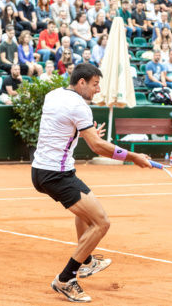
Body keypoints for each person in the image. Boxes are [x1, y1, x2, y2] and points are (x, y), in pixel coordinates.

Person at [32, 63, 151, 302]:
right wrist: (133, 156)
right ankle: (66, 279)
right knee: (101, 223)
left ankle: (85, 261)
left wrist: (85, 131)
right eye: (95, 84)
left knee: (87, 209)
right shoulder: (79, 106)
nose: (98, 90)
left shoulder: (53, 95)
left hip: (42, 170)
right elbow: (97, 146)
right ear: (82, 82)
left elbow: (61, 127)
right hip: (57, 174)